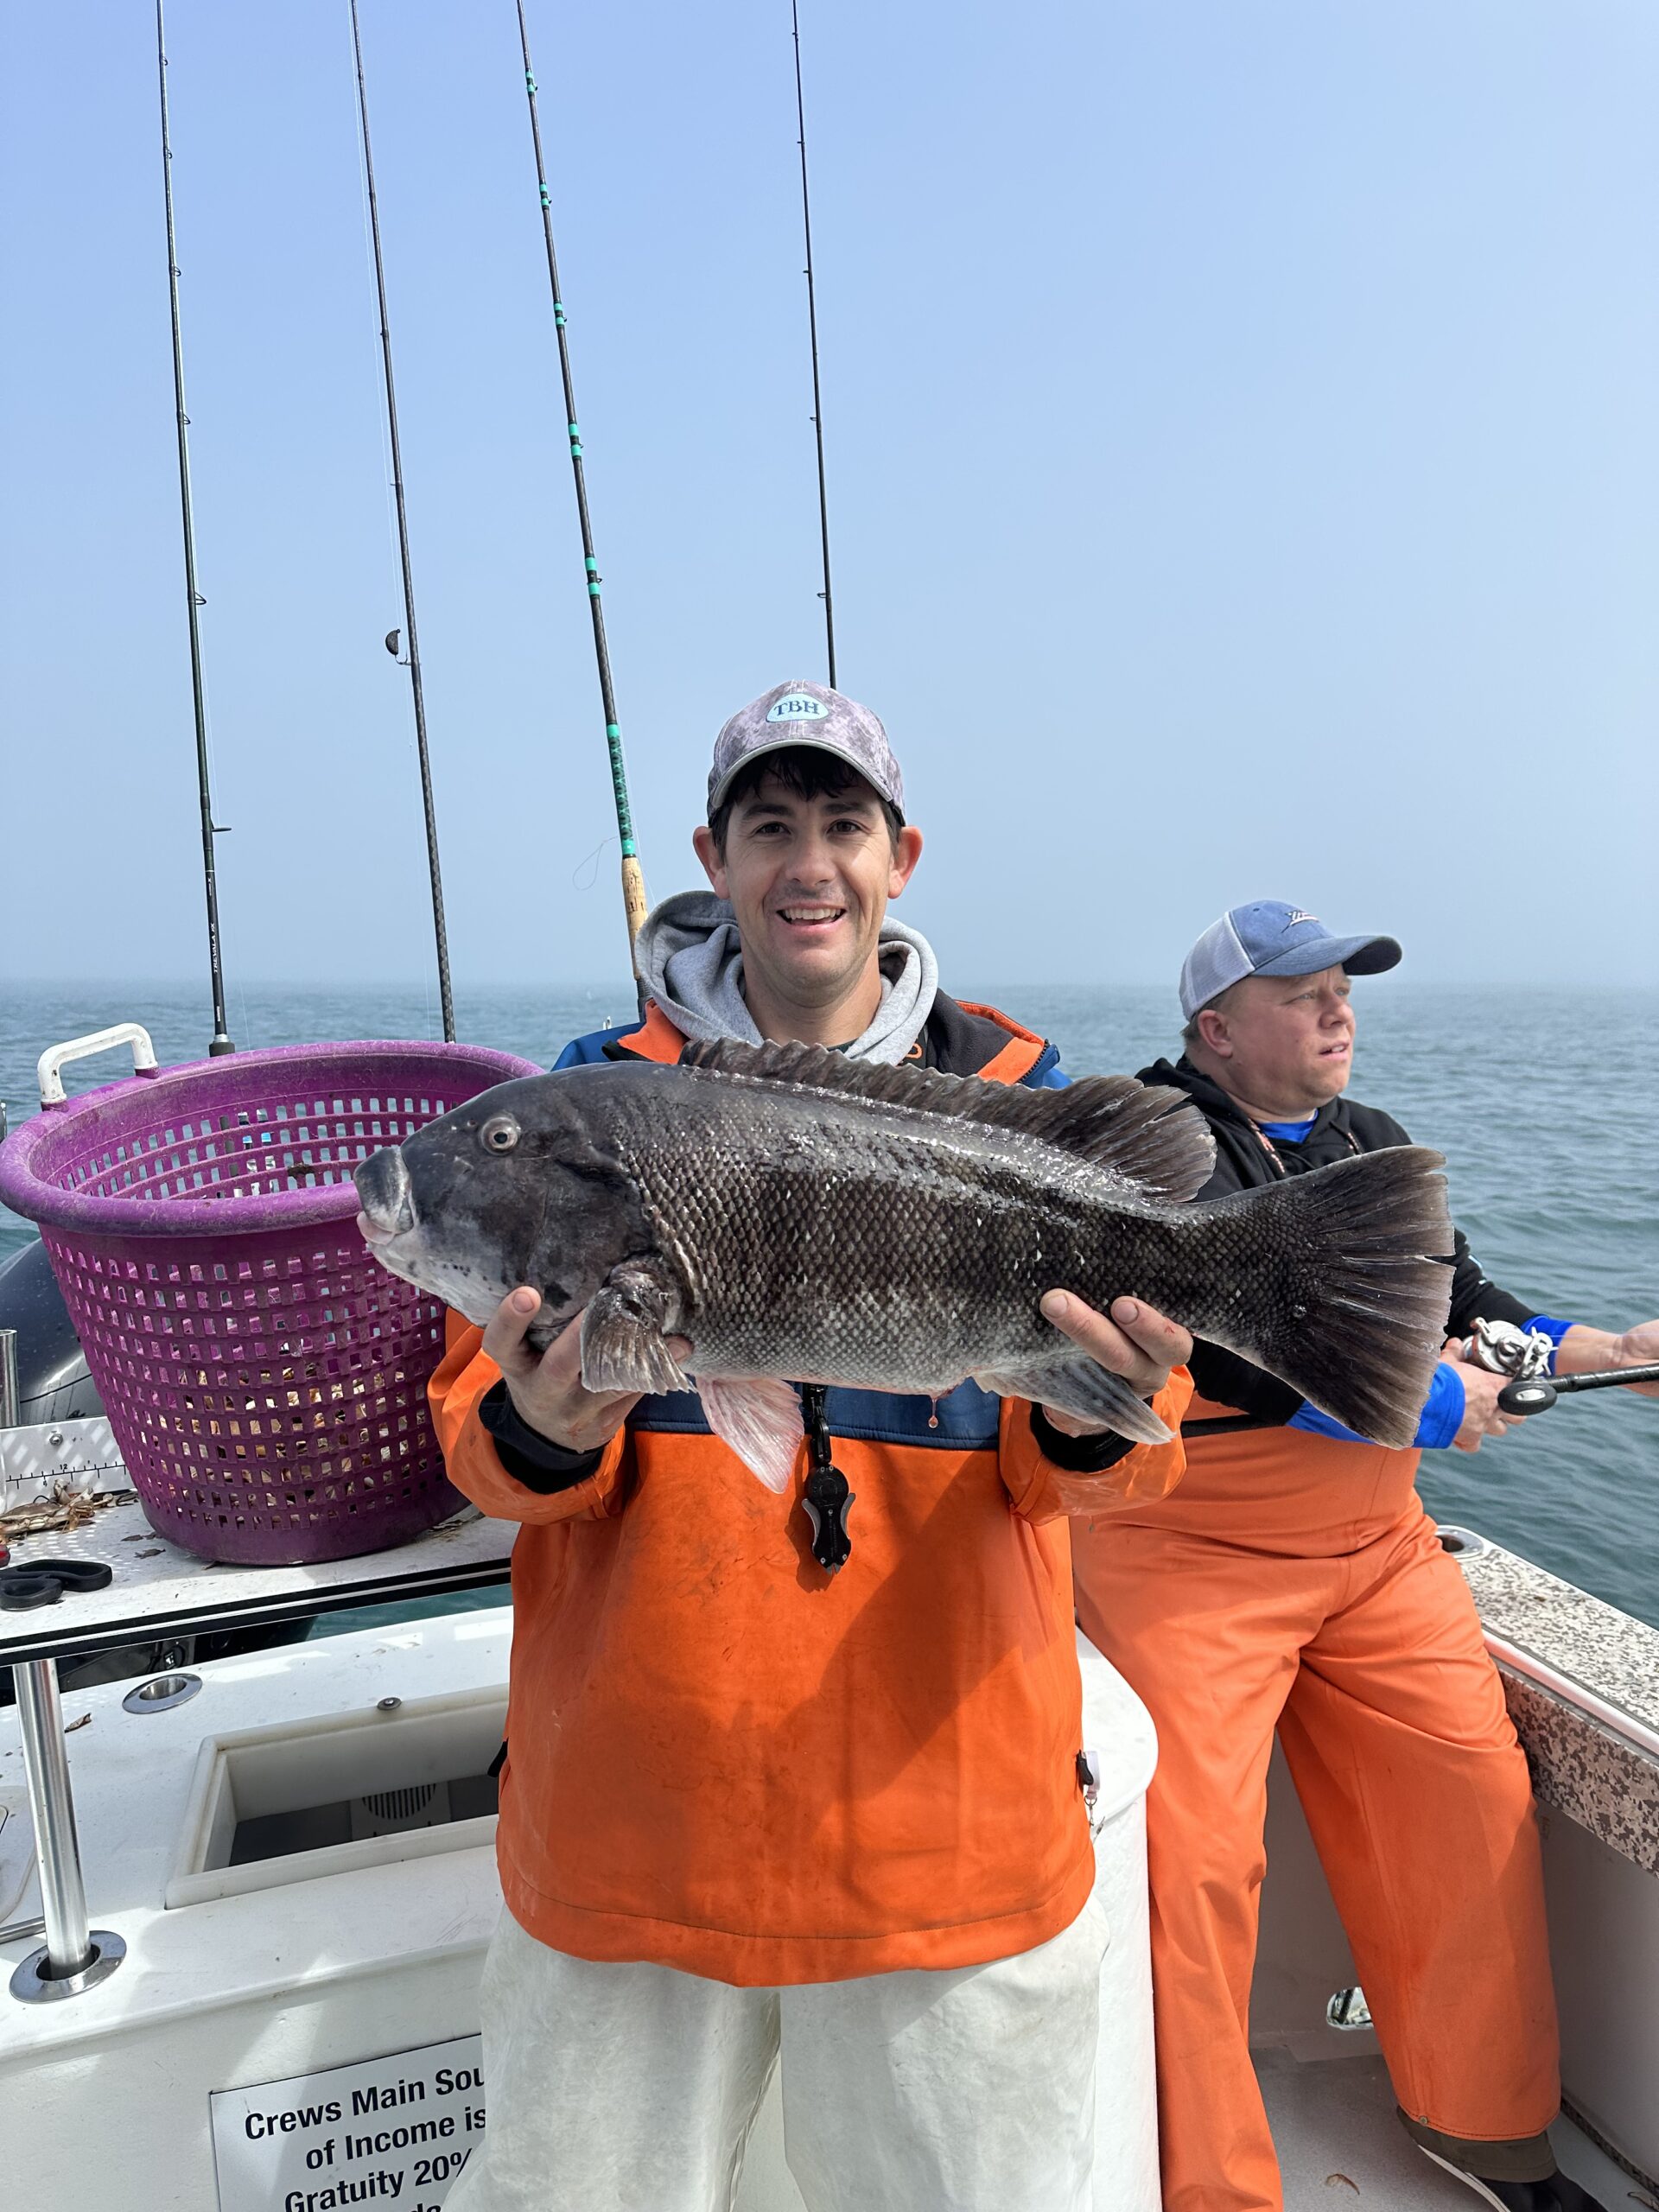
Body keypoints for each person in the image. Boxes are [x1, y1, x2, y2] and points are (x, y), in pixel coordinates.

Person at [420, 680, 1195, 2212]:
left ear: (902, 856)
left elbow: (1109, 1461)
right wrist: (542, 1426)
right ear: (715, 858)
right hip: (633, 1834)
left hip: (950, 1837)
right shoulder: (579, 1107)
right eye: (770, 826)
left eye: (844, 824)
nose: (810, 863)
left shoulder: (1020, 1108)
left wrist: (1098, 1409)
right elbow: (477, 1436)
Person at [1071, 899, 1659, 2212]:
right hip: (1185, 1548)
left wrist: (1599, 1352)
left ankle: (1488, 2134)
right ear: (1217, 1027)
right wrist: (1430, 1403)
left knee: (1471, 1801)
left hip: (1381, 1549)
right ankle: (1206, 2184)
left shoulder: (1369, 1140)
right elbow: (1214, 1340)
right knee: (1186, 1860)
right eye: (1303, 993)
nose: (1338, 1011)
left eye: (1344, 988)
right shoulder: (1154, 1145)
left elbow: (1463, 1302)